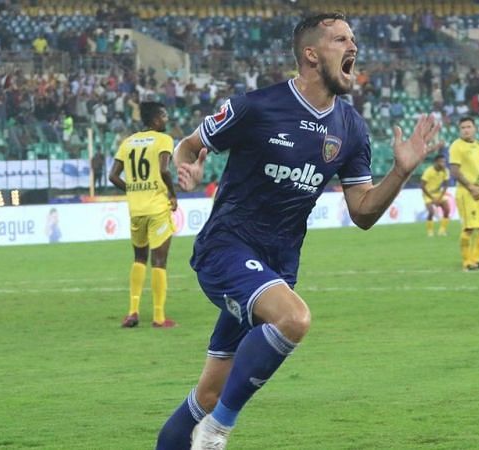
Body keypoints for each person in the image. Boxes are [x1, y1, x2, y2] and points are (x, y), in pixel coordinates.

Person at [155, 13, 441, 450]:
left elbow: (363, 211)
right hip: (226, 249)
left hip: (278, 266)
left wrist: (401, 173)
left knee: (208, 394)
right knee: (294, 318)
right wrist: (187, 162)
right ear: (311, 54)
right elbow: (190, 144)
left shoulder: (350, 128)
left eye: (354, 38)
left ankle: (200, 425)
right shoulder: (255, 107)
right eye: (341, 38)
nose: (354, 46)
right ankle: (217, 432)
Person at [108, 102, 179, 329]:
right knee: (159, 261)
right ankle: (159, 317)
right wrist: (173, 193)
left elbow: (113, 176)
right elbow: (164, 169)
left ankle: (132, 312)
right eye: (164, 115)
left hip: (136, 209)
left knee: (139, 258)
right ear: (156, 119)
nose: (166, 119)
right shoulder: (163, 140)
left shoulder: (127, 142)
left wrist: (133, 190)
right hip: (157, 208)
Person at [449, 117, 479, 271]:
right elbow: (454, 171)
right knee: (469, 228)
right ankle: (467, 262)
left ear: (475, 128)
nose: (466, 130)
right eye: (463, 127)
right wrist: (470, 187)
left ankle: (475, 259)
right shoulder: (457, 146)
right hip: (466, 192)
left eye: (469, 126)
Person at [420, 154, 450, 236]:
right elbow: (422, 186)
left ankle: (442, 230)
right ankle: (430, 231)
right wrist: (432, 198)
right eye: (441, 162)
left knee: (447, 209)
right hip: (428, 194)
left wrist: (439, 198)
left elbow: (446, 185)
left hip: (438, 193)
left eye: (444, 162)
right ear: (436, 162)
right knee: (431, 212)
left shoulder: (445, 171)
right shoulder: (428, 171)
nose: (443, 164)